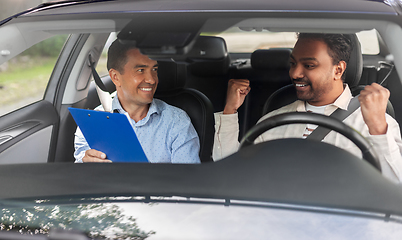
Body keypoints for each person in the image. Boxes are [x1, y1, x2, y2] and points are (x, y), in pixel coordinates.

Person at [213, 33, 402, 183]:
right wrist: (230, 111)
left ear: (338, 70)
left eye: (309, 65)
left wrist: (377, 128)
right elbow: (232, 175)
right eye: (293, 63)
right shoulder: (272, 122)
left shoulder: (375, 124)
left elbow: (395, 188)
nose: (294, 73)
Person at [74, 39, 200, 163]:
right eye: (141, 70)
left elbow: (187, 179)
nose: (152, 80)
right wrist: (86, 166)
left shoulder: (176, 122)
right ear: (115, 77)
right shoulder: (92, 123)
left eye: (154, 70)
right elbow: (78, 175)